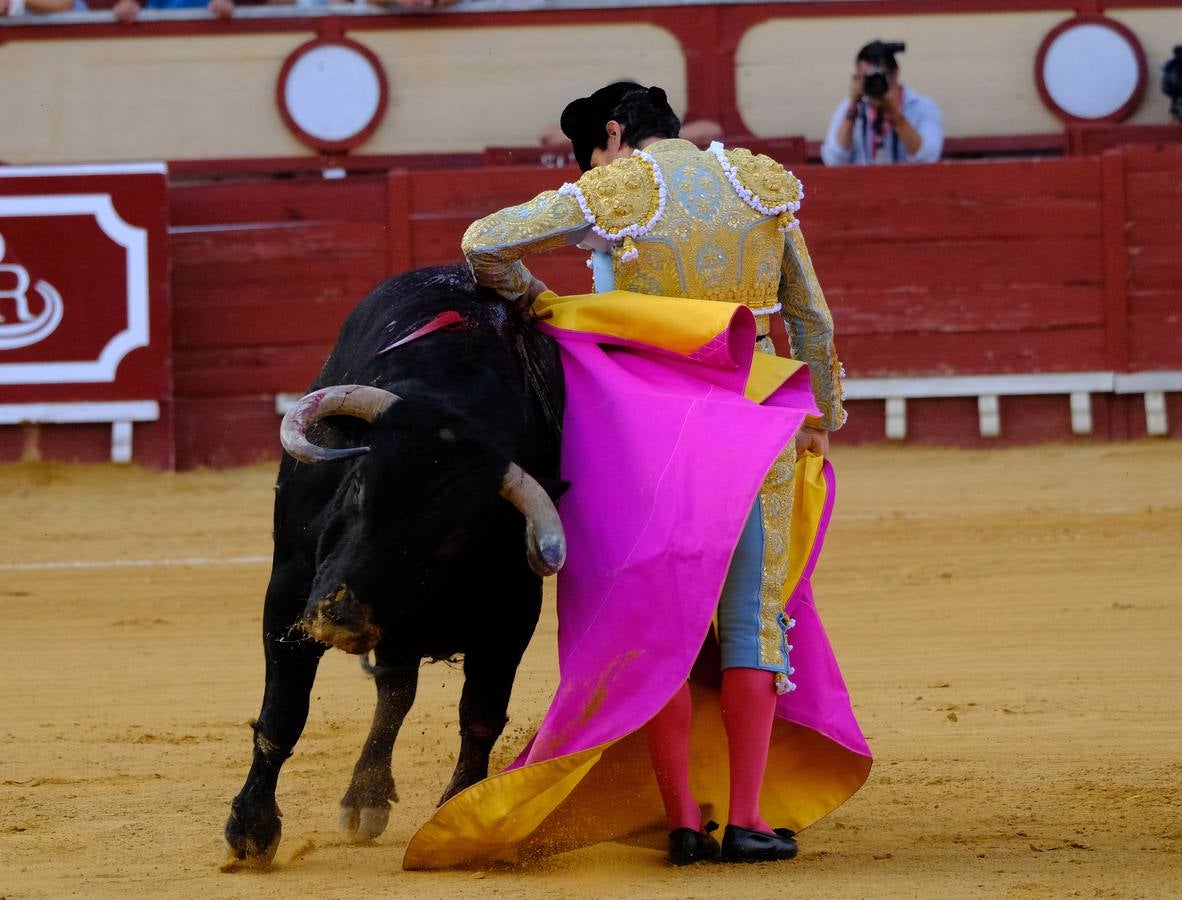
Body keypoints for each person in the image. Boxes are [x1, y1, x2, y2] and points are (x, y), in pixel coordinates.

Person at [404, 82, 870, 871]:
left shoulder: (619, 189)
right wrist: (820, 416)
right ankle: (747, 821)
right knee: (752, 623)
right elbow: (811, 318)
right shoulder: (761, 184)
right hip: (755, 422)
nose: (595, 167)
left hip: (654, 430)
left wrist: (550, 305)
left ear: (615, 134)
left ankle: (684, 822)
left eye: (594, 153)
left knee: (663, 623)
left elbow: (484, 243)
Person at [821, 39, 943, 165]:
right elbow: (833, 160)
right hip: (862, 177)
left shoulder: (923, 107)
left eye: (880, 77)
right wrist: (852, 108)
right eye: (867, 77)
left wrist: (894, 113)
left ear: (895, 73)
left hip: (906, 178)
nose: (875, 83)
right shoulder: (848, 108)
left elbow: (928, 157)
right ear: (857, 78)